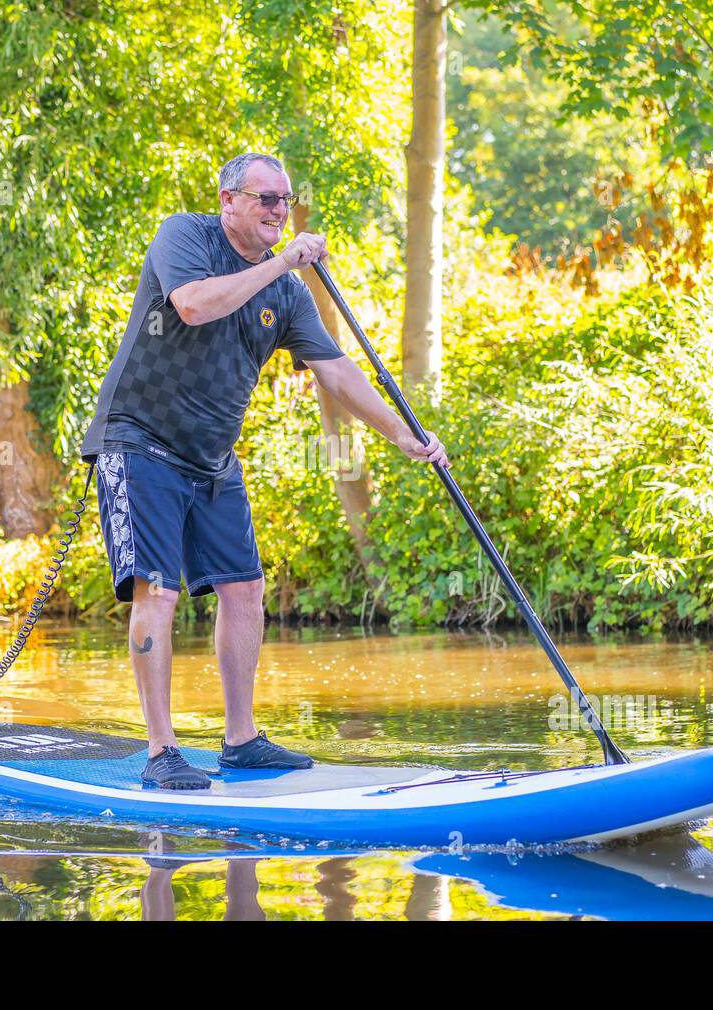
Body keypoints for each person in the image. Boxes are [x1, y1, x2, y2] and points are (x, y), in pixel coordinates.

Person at [80, 151, 450, 789]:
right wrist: (282, 262)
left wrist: (402, 434)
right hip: (137, 442)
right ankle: (161, 751)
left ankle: (241, 739)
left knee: (245, 589)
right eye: (266, 199)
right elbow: (193, 305)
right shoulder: (186, 236)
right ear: (228, 201)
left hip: (212, 457)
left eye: (285, 200)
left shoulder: (288, 293)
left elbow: (336, 371)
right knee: (159, 591)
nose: (280, 210)